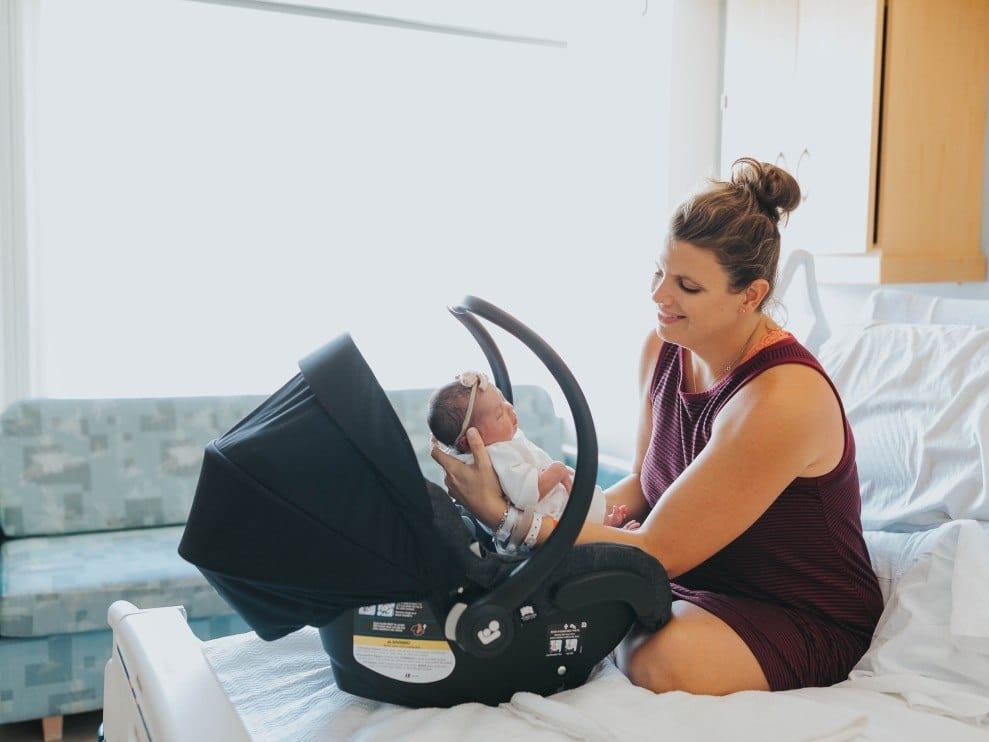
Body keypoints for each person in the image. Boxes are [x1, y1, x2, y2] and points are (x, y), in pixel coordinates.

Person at [431, 158, 884, 696]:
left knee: (658, 659)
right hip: (683, 576)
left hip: (792, 611)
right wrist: (544, 509)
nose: (659, 296)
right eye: (659, 272)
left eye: (687, 286)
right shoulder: (663, 348)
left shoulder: (781, 398)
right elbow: (646, 487)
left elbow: (656, 548)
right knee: (563, 605)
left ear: (751, 295)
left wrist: (508, 521)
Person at [427, 371, 637, 553]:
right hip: (547, 520)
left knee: (585, 509)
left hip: (544, 516)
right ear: (470, 440)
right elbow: (526, 494)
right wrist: (558, 470)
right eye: (500, 414)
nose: (510, 408)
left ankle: (607, 524)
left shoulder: (495, 444)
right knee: (578, 523)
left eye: (504, 401)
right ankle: (614, 536)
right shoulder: (499, 453)